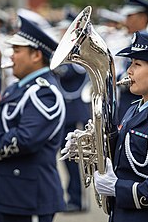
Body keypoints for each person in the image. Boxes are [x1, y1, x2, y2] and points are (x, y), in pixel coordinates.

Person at [61, 31, 148, 221]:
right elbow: (124, 155)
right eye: (131, 64)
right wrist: (89, 146)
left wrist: (117, 188)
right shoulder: (135, 109)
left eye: (137, 64)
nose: (129, 71)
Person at [0, 15, 66, 222]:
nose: (11, 57)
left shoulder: (44, 93)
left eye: (17, 51)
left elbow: (26, 139)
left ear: (36, 55)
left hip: (28, 195)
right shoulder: (18, 87)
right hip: (9, 191)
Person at [54, 63, 91, 212]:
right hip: (66, 115)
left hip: (75, 115)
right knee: (68, 162)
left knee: (74, 161)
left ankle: (77, 200)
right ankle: (72, 197)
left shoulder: (77, 61)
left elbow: (70, 72)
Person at [115, 0, 148, 123]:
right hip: (128, 106)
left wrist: (118, 78)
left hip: (139, 109)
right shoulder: (134, 41)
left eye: (130, 16)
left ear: (143, 18)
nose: (125, 21)